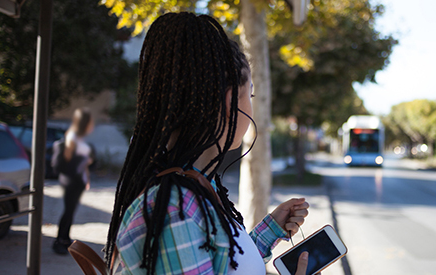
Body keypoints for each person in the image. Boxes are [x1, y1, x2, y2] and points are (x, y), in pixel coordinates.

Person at [104, 13, 313, 275]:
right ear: (230, 102)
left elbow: (224, 263)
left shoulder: (193, 187)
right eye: (250, 94)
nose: (252, 105)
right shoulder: (175, 210)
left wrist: (269, 231)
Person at [52, 107, 94, 255]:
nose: (92, 125)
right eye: (90, 122)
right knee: (68, 211)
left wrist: (86, 178)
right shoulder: (72, 137)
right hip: (71, 182)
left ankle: (65, 237)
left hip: (78, 182)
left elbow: (83, 164)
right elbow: (68, 163)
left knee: (71, 211)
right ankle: (59, 241)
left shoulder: (79, 138)